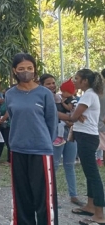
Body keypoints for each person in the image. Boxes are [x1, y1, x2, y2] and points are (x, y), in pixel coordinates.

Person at [6, 53, 58, 225]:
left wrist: (45, 142)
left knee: (44, 199)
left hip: (41, 151)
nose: (26, 72)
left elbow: (52, 122)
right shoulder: (10, 94)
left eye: (29, 68)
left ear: (35, 69)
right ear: (14, 70)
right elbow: (14, 118)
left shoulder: (44, 94)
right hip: (18, 150)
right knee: (22, 198)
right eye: (21, 69)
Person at [61, 69, 105, 225]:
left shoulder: (88, 95)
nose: (74, 81)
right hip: (85, 136)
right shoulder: (90, 94)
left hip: (87, 137)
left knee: (93, 175)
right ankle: (90, 206)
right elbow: (77, 115)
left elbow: (72, 117)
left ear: (85, 81)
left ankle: (100, 215)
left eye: (77, 78)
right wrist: (77, 114)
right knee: (89, 173)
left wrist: (53, 110)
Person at [40, 73, 82, 207]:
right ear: (42, 85)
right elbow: (52, 113)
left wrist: (72, 119)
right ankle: (50, 197)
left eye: (53, 83)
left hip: (69, 132)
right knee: (54, 165)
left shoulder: (61, 97)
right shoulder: (42, 98)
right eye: (48, 83)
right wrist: (70, 118)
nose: (52, 85)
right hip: (54, 134)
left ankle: (73, 195)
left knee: (70, 164)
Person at [53, 78, 77, 146]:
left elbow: (69, 107)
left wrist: (63, 103)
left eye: (63, 92)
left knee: (61, 125)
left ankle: (60, 137)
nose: (62, 93)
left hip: (70, 114)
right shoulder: (70, 98)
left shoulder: (70, 99)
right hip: (70, 116)